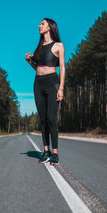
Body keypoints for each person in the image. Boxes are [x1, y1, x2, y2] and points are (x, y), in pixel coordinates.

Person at [25, 18, 65, 165]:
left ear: (50, 27)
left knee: (51, 118)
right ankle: (46, 151)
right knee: (42, 119)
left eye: (42, 24)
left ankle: (55, 153)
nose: (39, 26)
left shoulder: (58, 46)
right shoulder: (40, 47)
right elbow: (38, 69)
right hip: (38, 84)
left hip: (52, 83)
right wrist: (30, 61)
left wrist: (60, 88)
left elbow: (62, 68)